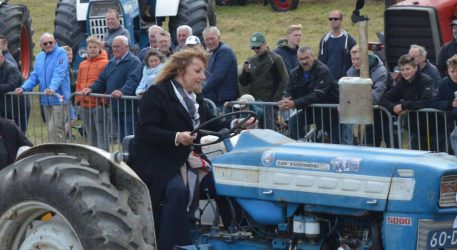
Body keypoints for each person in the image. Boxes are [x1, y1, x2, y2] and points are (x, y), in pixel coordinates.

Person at [131, 49, 253, 250]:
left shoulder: (195, 99)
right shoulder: (157, 94)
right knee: (177, 191)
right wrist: (177, 137)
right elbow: (147, 131)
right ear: (180, 71)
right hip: (157, 163)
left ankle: (239, 231)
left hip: (185, 160)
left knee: (224, 183)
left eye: (203, 72)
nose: (203, 77)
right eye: (197, 71)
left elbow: (208, 125)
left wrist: (236, 122)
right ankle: (172, 245)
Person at [82, 35, 142, 142]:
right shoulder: (111, 63)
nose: (115, 49)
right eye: (114, 46)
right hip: (116, 106)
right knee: (122, 137)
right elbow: (102, 81)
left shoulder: (134, 62)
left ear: (126, 47)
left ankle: (133, 157)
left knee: (130, 136)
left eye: (118, 47)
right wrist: (91, 88)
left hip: (129, 107)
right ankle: (125, 157)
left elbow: (133, 80)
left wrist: (122, 91)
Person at [15, 32, 70, 143]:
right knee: (52, 132)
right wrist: (24, 87)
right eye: (45, 43)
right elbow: (35, 76)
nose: (49, 45)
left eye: (51, 42)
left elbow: (59, 73)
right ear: (41, 45)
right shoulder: (40, 57)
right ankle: (56, 154)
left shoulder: (61, 53)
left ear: (54, 42)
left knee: (54, 130)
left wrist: (52, 88)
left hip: (59, 98)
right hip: (46, 100)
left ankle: (58, 156)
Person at [279, 46, 339, 141]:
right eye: (301, 59)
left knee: (336, 141)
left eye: (306, 58)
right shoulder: (295, 73)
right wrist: (286, 98)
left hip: (329, 112)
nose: (304, 62)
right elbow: (288, 89)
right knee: (294, 122)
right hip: (310, 109)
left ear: (313, 57)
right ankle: (300, 147)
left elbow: (318, 94)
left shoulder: (323, 71)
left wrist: (294, 103)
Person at [379, 54, 434, 150]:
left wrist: (404, 106)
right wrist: (395, 107)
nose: (405, 72)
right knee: (416, 156)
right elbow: (384, 99)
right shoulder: (401, 83)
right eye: (402, 69)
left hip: (433, 126)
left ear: (415, 68)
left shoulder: (426, 81)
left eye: (407, 69)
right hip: (414, 128)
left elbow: (426, 102)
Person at [239, 32, 288, 129]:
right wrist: (245, 72)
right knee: (253, 131)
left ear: (265, 44)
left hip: (269, 104)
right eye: (253, 48)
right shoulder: (251, 60)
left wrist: (274, 100)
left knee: (269, 131)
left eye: (258, 47)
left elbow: (284, 80)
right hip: (255, 103)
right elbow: (244, 82)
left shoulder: (275, 59)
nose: (256, 50)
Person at [347, 45, 387, 146]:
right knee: (368, 145)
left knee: (392, 147)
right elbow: (347, 94)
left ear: (365, 58)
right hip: (364, 114)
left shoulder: (380, 71)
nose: (355, 62)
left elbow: (375, 97)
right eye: (353, 59)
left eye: (358, 59)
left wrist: (353, 101)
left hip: (384, 113)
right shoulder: (351, 71)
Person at [75, 36, 109, 150]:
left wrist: (103, 101)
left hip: (98, 104)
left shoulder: (106, 63)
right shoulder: (82, 64)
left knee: (102, 136)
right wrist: (78, 100)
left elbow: (106, 82)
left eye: (95, 47)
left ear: (100, 48)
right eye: (90, 47)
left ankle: (105, 159)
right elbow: (79, 83)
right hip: (84, 105)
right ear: (87, 49)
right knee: (91, 136)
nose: (93, 49)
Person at [201, 26, 239, 108]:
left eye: (212, 38)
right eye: (207, 39)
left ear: (219, 38)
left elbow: (217, 76)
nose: (210, 41)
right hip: (217, 98)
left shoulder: (224, 51)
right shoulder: (215, 52)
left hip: (224, 100)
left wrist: (200, 90)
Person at [318, 10, 356, 82]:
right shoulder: (324, 41)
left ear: (341, 21)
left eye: (335, 18)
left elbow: (354, 62)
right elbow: (320, 62)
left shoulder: (350, 41)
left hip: (344, 81)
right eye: (330, 19)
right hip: (328, 81)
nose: (333, 20)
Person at [431, 55, 457, 154]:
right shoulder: (443, 83)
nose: (455, 74)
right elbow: (435, 102)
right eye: (452, 71)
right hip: (447, 127)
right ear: (448, 71)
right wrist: (450, 104)